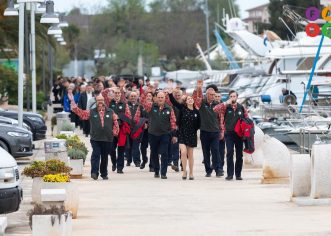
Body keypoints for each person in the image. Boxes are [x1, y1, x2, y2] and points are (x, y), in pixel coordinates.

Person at [68, 93, 119, 180]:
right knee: (96, 154)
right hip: (95, 138)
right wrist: (74, 106)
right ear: (96, 101)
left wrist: (115, 131)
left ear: (104, 101)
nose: (100, 102)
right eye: (98, 100)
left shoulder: (111, 111)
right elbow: (82, 114)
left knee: (104, 156)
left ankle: (104, 173)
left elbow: (115, 123)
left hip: (108, 138)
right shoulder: (91, 112)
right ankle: (94, 173)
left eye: (101, 100)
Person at [141, 90, 177, 179]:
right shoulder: (151, 106)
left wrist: (174, 134)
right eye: (159, 97)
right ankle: (156, 170)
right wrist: (146, 91)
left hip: (165, 134)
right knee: (154, 153)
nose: (160, 99)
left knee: (164, 153)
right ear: (156, 98)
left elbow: (173, 121)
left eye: (162, 97)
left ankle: (163, 173)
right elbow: (142, 101)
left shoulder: (169, 108)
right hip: (153, 134)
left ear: (165, 99)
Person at [213, 90, 248, 181]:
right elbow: (215, 109)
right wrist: (225, 103)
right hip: (229, 133)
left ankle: (238, 174)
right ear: (229, 97)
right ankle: (230, 174)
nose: (233, 98)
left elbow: (247, 119)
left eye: (234, 96)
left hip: (239, 134)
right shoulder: (226, 107)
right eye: (231, 96)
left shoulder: (241, 107)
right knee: (229, 153)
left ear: (237, 97)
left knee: (239, 155)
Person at [193, 80, 222, 177]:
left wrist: (221, 131)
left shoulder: (217, 104)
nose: (213, 96)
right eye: (211, 95)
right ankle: (208, 170)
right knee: (206, 152)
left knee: (215, 150)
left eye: (214, 95)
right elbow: (196, 99)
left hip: (215, 131)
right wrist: (199, 88)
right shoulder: (202, 103)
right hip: (204, 131)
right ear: (207, 95)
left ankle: (218, 170)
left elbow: (220, 118)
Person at [169, 89, 200, 180]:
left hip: (192, 134)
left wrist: (193, 130)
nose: (190, 99)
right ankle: (184, 172)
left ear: (193, 101)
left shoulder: (196, 112)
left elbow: (198, 124)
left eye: (191, 98)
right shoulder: (182, 108)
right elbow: (174, 102)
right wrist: (170, 94)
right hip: (182, 133)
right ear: (186, 102)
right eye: (188, 99)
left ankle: (191, 172)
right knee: (183, 152)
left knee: (190, 154)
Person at [101, 82, 131, 174]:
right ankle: (114, 163)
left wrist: (119, 117)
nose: (117, 94)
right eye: (115, 93)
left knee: (121, 149)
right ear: (113, 94)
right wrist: (111, 88)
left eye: (119, 93)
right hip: (111, 129)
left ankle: (120, 167)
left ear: (121, 94)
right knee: (111, 148)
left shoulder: (124, 104)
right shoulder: (109, 103)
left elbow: (128, 116)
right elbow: (103, 93)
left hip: (121, 129)